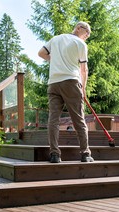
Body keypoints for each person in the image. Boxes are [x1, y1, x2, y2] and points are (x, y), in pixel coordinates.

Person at [38, 21, 94, 163]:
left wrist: (54, 59)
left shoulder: (56, 39)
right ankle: (85, 154)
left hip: (53, 83)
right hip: (71, 82)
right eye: (87, 32)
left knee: (53, 120)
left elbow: (41, 53)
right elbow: (84, 69)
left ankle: (55, 154)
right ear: (79, 28)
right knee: (78, 118)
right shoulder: (81, 44)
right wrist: (83, 88)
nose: (87, 36)